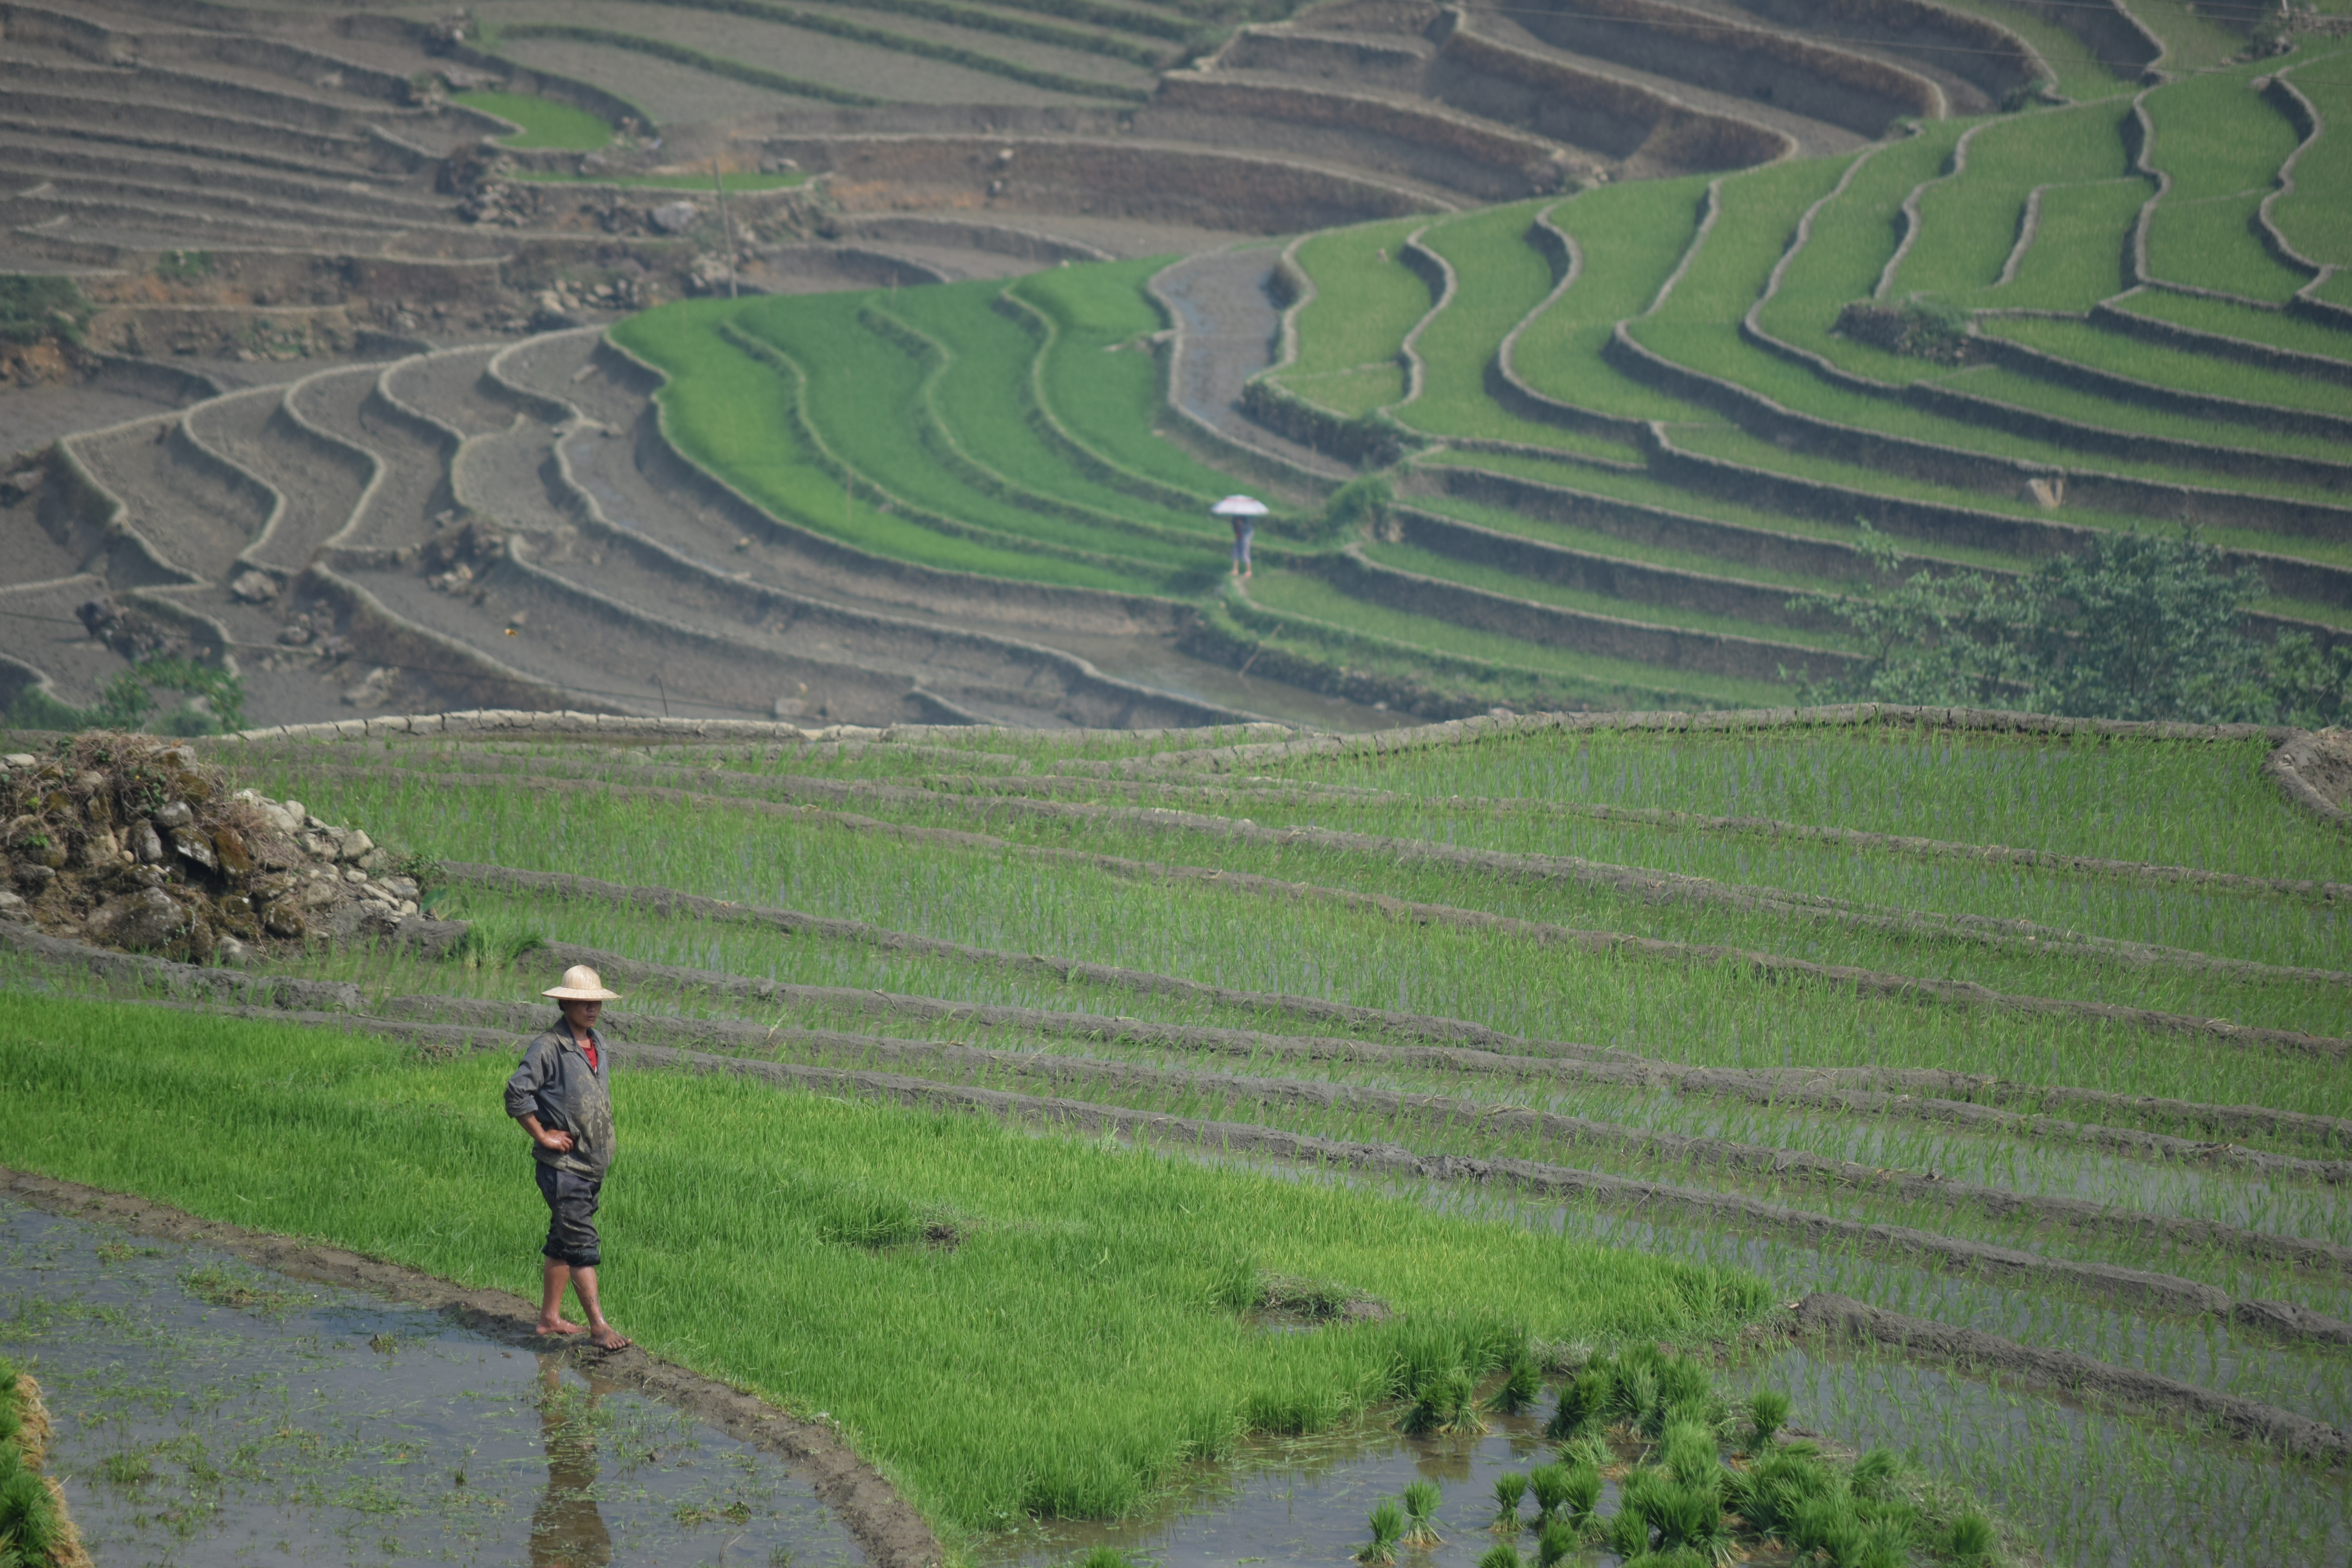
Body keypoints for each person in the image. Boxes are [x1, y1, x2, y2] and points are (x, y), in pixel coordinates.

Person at [506, 964, 631, 1350]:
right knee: (581, 1243)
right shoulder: (549, 1047)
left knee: (562, 1239)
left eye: (595, 1002)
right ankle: (599, 1326)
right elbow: (517, 1094)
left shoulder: (599, 1044)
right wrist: (543, 1134)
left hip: (590, 1166)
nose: (591, 1008)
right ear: (565, 1003)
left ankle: (549, 1319)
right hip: (564, 1168)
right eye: (583, 1002)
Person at [1230, 514, 1255, 579]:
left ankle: (1249, 571)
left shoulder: (1246, 518)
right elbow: (1234, 526)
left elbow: (1249, 529)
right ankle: (1235, 570)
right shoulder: (1235, 518)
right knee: (1235, 553)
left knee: (1245, 553)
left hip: (1245, 538)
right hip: (1239, 537)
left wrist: (1242, 525)